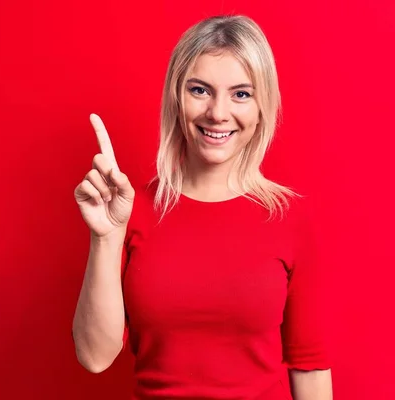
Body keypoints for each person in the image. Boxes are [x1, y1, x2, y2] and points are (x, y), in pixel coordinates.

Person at [72, 15, 333, 400]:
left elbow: (309, 369)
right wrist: (106, 238)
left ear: (263, 106)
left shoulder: (288, 218)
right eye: (200, 90)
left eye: (241, 94)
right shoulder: (130, 211)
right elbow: (94, 356)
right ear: (176, 97)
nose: (218, 113)